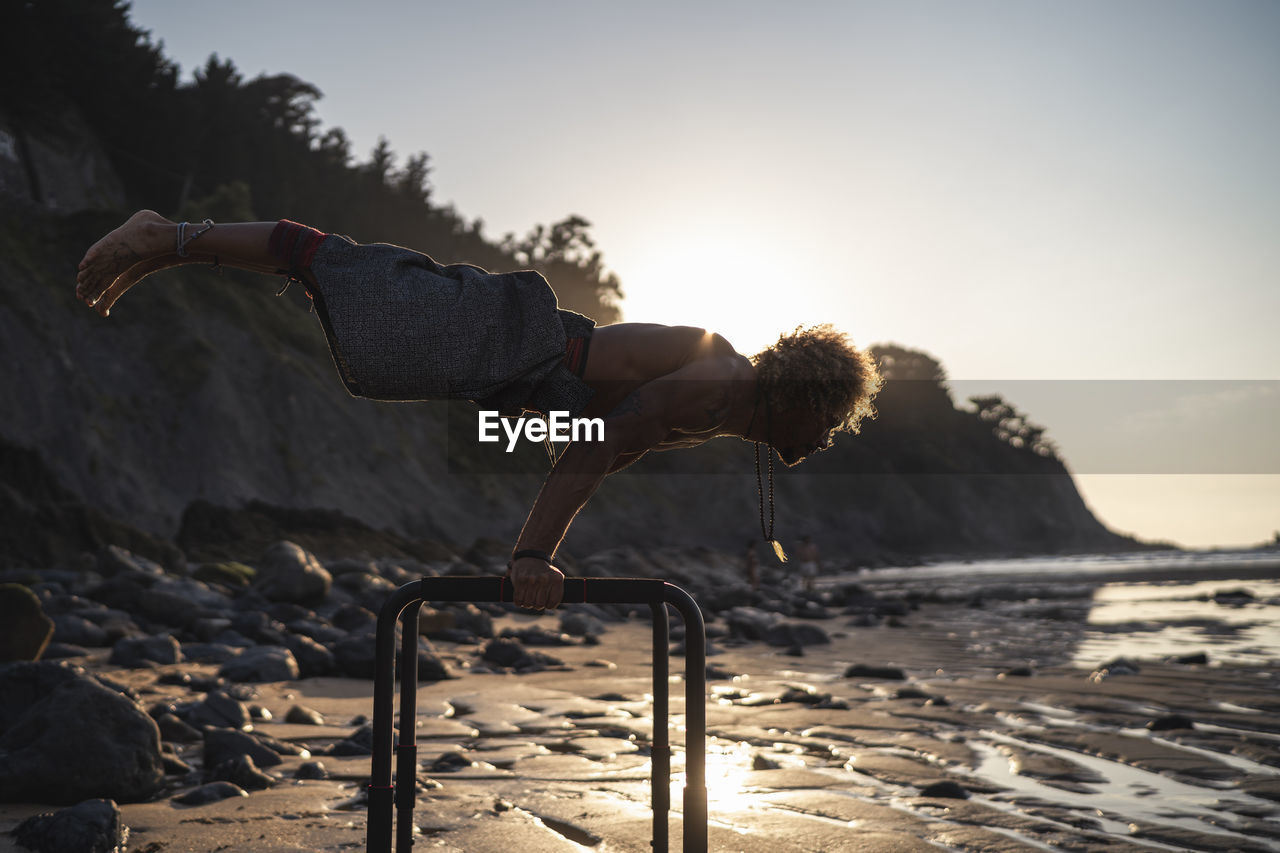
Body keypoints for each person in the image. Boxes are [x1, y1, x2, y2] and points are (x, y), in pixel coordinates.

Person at [75, 211, 881, 610]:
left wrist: (535, 440)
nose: (825, 439)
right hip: (510, 341)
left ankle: (167, 247)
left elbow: (605, 441)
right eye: (831, 420)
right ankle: (166, 234)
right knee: (344, 272)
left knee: (356, 305)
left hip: (505, 363)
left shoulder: (719, 405)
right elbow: (597, 448)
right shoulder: (724, 381)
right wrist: (533, 554)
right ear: (806, 394)